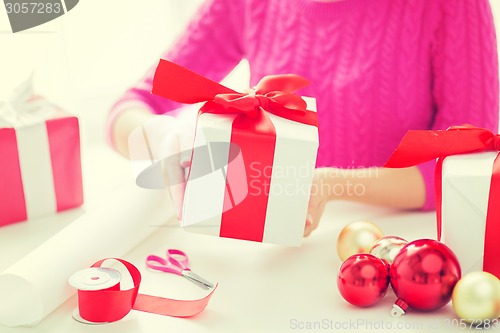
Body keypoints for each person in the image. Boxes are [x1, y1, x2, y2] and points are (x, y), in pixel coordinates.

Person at [108, 0, 499, 237]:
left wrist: (331, 184)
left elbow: (465, 160)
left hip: (399, 254)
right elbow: (132, 104)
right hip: (273, 253)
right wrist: (160, 140)